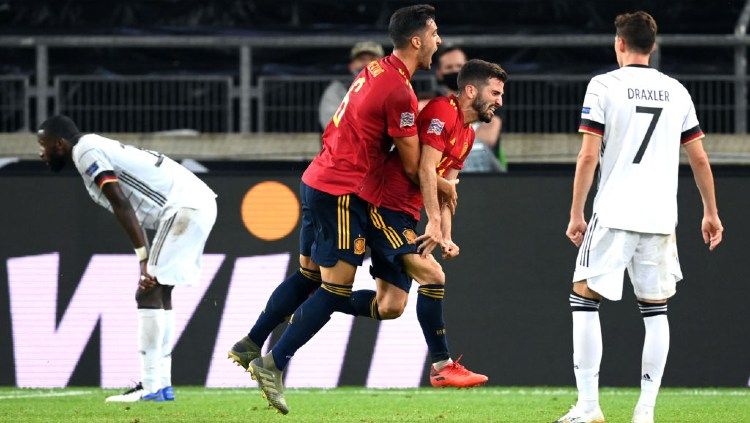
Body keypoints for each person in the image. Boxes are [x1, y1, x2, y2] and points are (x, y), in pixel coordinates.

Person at [233, 5, 442, 415]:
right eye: (434, 33)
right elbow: (412, 163)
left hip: (316, 177)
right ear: (416, 40)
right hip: (342, 191)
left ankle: (251, 342)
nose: (439, 40)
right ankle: (273, 363)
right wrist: (444, 186)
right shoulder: (400, 91)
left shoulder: (377, 70)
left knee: (310, 275)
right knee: (335, 288)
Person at [555, 11, 723, 423]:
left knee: (584, 297)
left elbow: (589, 154)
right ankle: (644, 411)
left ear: (619, 44)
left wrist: (577, 212)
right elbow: (699, 158)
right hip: (661, 216)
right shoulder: (677, 91)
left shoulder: (604, 85)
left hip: (614, 210)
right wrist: (711, 212)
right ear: (653, 45)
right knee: (656, 309)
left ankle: (590, 407)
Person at [343, 59, 506, 388]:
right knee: (433, 275)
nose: (500, 100)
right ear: (471, 90)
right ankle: (442, 365)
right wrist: (433, 222)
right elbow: (425, 169)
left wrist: (446, 236)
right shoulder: (443, 111)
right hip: (383, 203)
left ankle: (320, 298)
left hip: (404, 212)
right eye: (495, 92)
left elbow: (449, 192)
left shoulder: (468, 135)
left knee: (390, 307)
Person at [36, 115, 217, 403]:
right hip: (195, 203)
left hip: (184, 206)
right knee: (161, 291)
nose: (41, 153)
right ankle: (162, 385)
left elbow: (120, 202)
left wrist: (143, 259)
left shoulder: (84, 151)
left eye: (43, 145)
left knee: (147, 292)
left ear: (59, 143)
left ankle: (150, 386)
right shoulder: (92, 146)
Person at [421, 46, 505, 172]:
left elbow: (488, 138)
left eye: (459, 66)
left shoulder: (488, 102)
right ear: (439, 72)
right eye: (449, 67)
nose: (455, 71)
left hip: (482, 172)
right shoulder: (428, 102)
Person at [318, 41, 385, 130]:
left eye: (372, 59)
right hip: (348, 141)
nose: (366, 64)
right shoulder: (338, 89)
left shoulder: (396, 87)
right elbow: (330, 124)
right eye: (361, 59)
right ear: (351, 65)